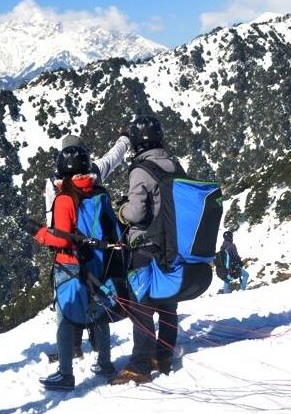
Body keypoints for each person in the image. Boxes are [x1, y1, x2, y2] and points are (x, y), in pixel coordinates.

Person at [32, 132, 130, 389]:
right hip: (98, 261)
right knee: (98, 313)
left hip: (70, 265)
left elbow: (61, 237)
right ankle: (105, 363)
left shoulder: (63, 196)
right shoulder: (98, 190)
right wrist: (125, 139)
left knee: (65, 318)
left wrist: (41, 234)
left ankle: (65, 373)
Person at [112, 115, 180, 385]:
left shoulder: (141, 170)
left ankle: (140, 365)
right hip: (172, 247)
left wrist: (121, 210)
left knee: (141, 307)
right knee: (167, 304)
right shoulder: (174, 165)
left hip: (145, 247)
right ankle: (162, 356)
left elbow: (137, 212)